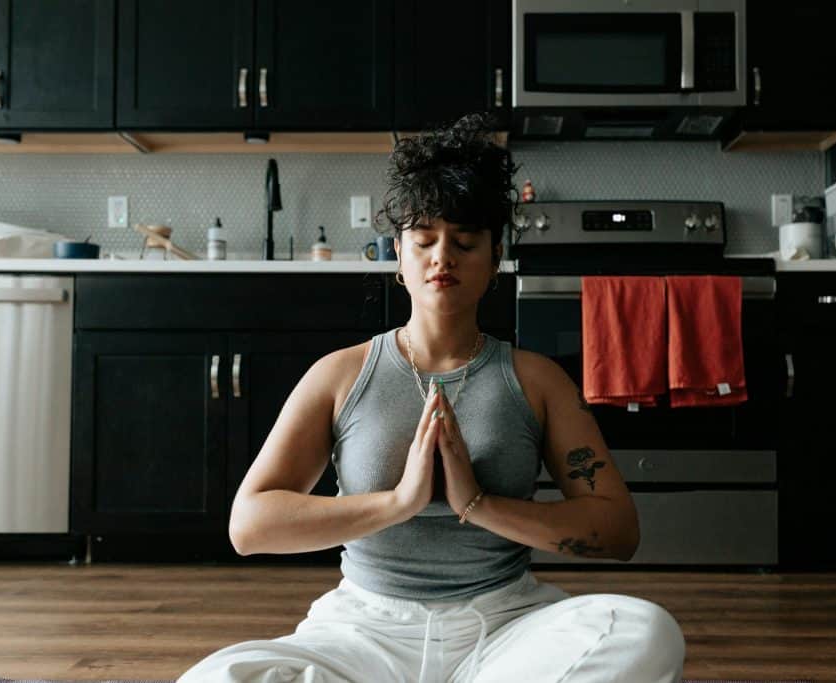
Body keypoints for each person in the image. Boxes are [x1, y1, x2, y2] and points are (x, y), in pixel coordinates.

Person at [177, 114, 685, 683]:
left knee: (644, 630)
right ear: (399, 255)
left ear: (494, 261)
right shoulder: (339, 374)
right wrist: (400, 502)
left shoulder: (538, 380)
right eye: (424, 240)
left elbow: (618, 532)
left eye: (465, 242)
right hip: (365, 629)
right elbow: (249, 526)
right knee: (220, 678)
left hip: (505, 624)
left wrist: (477, 504)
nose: (443, 256)